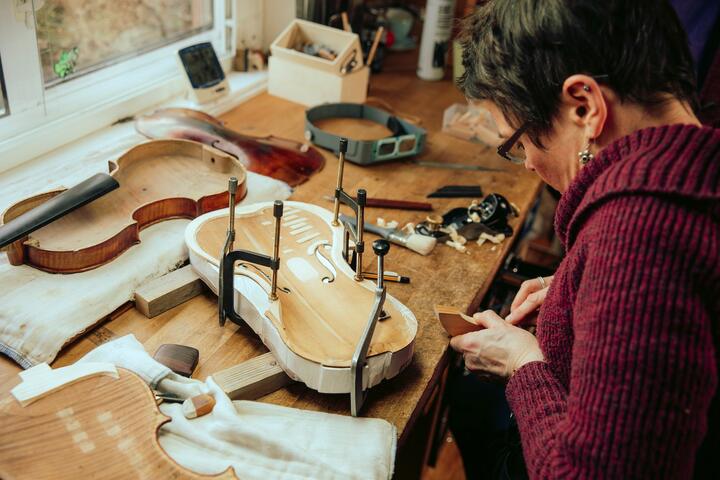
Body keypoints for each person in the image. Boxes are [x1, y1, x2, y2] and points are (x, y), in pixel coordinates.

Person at [450, 0, 720, 478]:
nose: (529, 164)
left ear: (585, 106)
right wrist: (580, 285)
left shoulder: (641, 236)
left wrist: (522, 363)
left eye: (520, 143)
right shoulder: (690, 171)